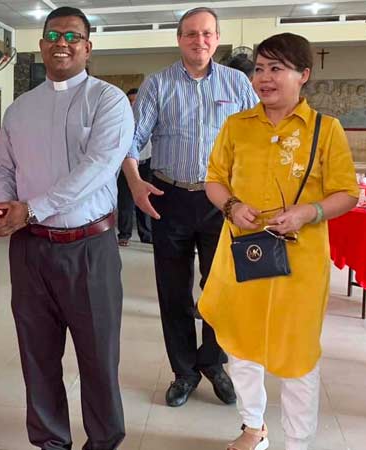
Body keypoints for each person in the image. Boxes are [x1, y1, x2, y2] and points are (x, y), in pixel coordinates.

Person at [199, 33, 359, 450]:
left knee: (298, 356)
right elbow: (214, 179)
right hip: (244, 255)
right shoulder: (236, 126)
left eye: (277, 68)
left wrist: (309, 212)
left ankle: (298, 443)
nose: (264, 78)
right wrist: (232, 206)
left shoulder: (326, 130)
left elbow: (347, 193)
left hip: (299, 263)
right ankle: (254, 428)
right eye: (259, 69)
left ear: (303, 75)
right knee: (241, 348)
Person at [0, 7, 134, 450]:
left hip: (89, 247)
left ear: (87, 47)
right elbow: (1, 166)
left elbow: (98, 168)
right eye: (53, 36)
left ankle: (103, 441)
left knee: (98, 356)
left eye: (72, 36)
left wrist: (31, 208)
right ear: (41, 46)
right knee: (38, 356)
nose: (61, 43)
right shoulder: (20, 109)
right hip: (31, 250)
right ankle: (51, 441)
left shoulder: (108, 101)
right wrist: (3, 209)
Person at [122, 7, 258, 408]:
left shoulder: (237, 83)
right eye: (191, 33)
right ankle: (184, 371)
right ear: (179, 39)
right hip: (171, 198)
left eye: (207, 33)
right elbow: (130, 142)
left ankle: (213, 362)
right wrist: (135, 184)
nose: (200, 40)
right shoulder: (157, 84)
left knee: (221, 289)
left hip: (222, 202)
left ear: (217, 39)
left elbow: (256, 138)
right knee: (173, 290)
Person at [117, 88, 152, 246]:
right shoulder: (120, 119)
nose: (133, 105)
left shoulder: (151, 117)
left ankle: (146, 234)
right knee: (125, 201)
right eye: (130, 101)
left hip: (147, 163)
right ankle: (124, 234)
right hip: (126, 164)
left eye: (136, 101)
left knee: (146, 199)